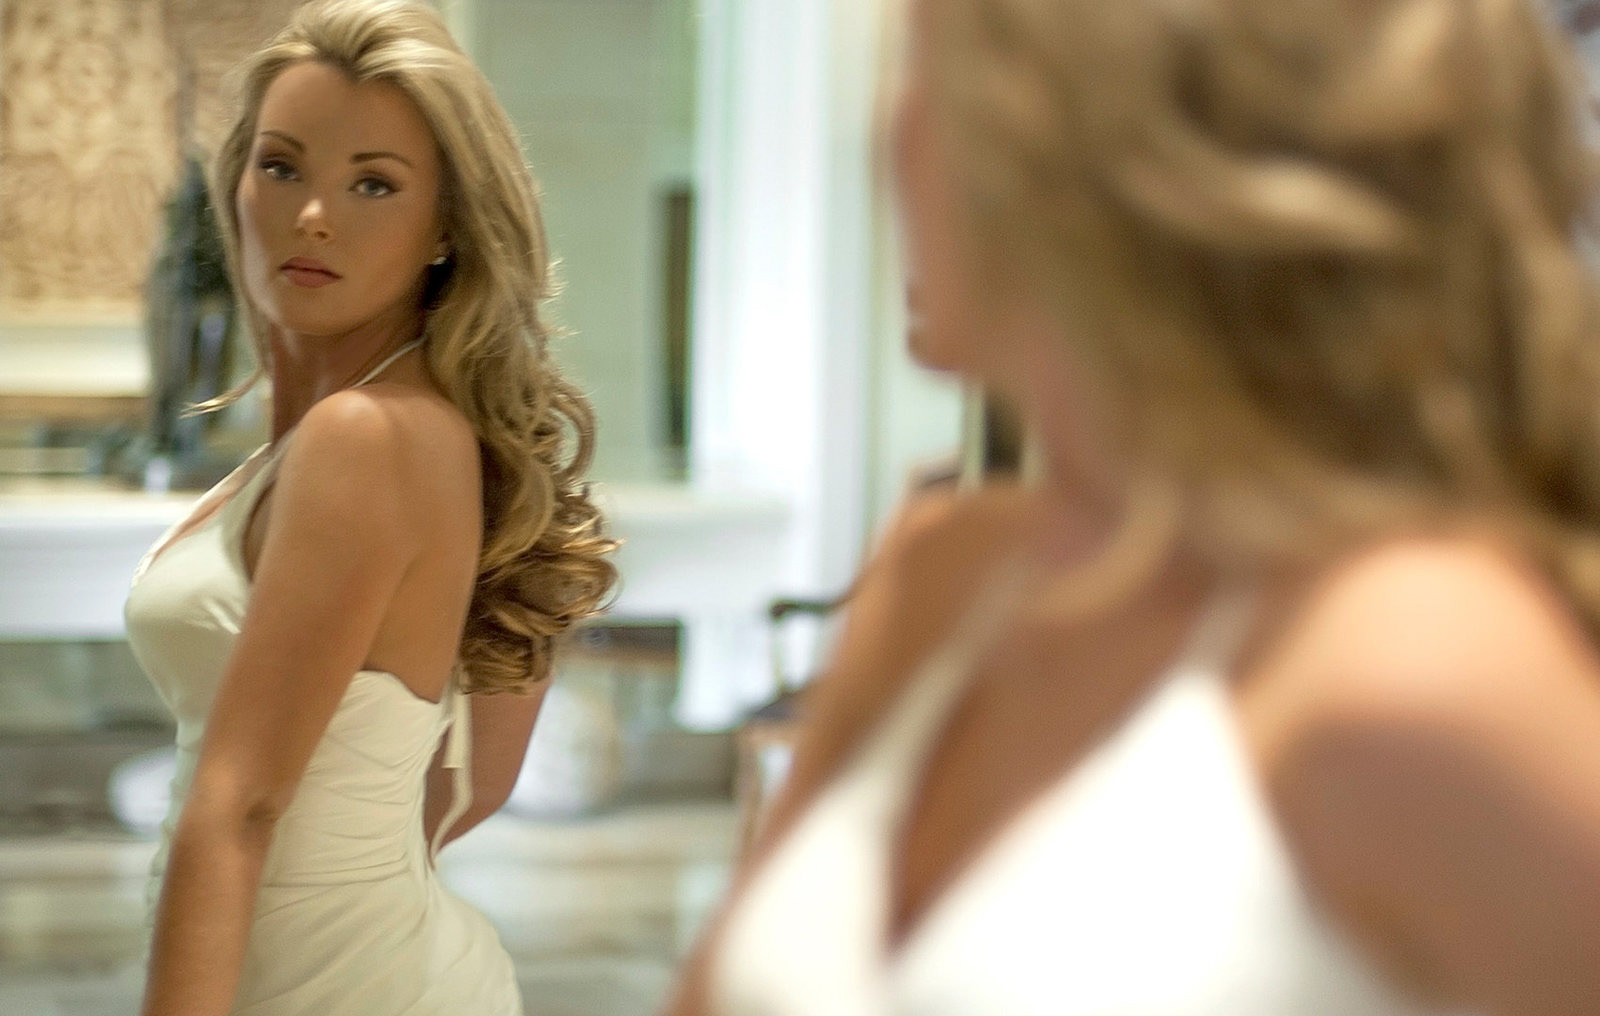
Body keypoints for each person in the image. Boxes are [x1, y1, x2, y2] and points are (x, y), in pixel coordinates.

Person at [665, 0, 1600, 1012]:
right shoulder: (940, 579)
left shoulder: (1413, 655)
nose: (888, 137)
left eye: (930, 78)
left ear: (1130, 154)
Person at [123, 1, 616, 1013]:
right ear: (237, 182)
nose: (313, 212)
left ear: (445, 228)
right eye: (281, 166)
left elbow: (240, 802)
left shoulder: (367, 437)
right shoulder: (389, 432)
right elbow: (474, 786)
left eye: (373, 183)